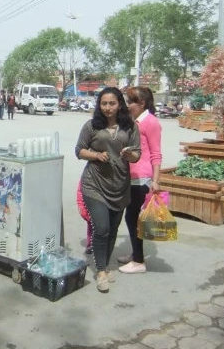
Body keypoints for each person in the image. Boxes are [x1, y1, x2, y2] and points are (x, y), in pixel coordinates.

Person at [75, 87, 140, 293]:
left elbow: (137, 153)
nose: (108, 108)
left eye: (112, 103)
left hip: (120, 186)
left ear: (119, 104)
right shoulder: (92, 126)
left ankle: (105, 263)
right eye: (104, 103)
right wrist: (95, 155)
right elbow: (79, 150)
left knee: (112, 229)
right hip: (94, 184)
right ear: (99, 105)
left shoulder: (130, 126)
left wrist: (130, 155)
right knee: (101, 228)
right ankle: (101, 271)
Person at [118, 86, 162, 274]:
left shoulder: (150, 122)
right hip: (131, 176)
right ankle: (136, 253)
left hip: (142, 178)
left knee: (132, 217)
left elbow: (156, 153)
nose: (128, 105)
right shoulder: (134, 121)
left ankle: (138, 261)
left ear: (142, 103)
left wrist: (156, 180)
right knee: (131, 217)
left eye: (131, 102)